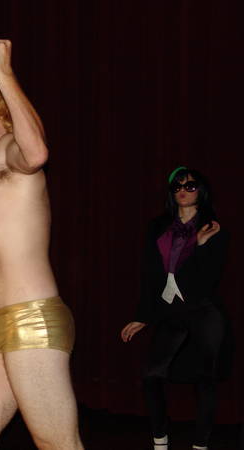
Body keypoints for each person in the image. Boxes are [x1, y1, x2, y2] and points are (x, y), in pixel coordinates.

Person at [0, 40, 83, 450]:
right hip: (3, 325)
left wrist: (3, 74)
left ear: (9, 121)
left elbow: (37, 151)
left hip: (32, 319)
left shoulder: (12, 151)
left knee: (57, 444)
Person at [121, 167, 230, 450]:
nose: (183, 190)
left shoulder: (212, 227)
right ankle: (160, 441)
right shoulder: (158, 226)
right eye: (177, 187)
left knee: (205, 379)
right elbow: (149, 275)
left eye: (190, 186)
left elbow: (209, 279)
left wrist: (201, 245)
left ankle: (200, 445)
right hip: (171, 312)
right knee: (151, 375)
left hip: (203, 311)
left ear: (201, 191)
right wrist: (143, 316)